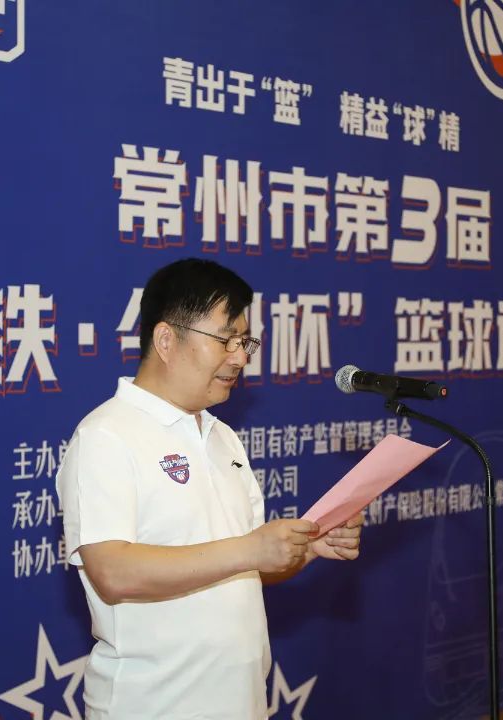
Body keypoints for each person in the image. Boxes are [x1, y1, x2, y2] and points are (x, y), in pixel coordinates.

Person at [56, 258, 363, 719]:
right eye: (226, 340)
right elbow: (113, 572)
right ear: (166, 340)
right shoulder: (106, 435)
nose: (239, 358)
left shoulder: (223, 437)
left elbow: (244, 568)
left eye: (245, 342)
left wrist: (308, 549)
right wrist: (250, 549)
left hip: (243, 703)